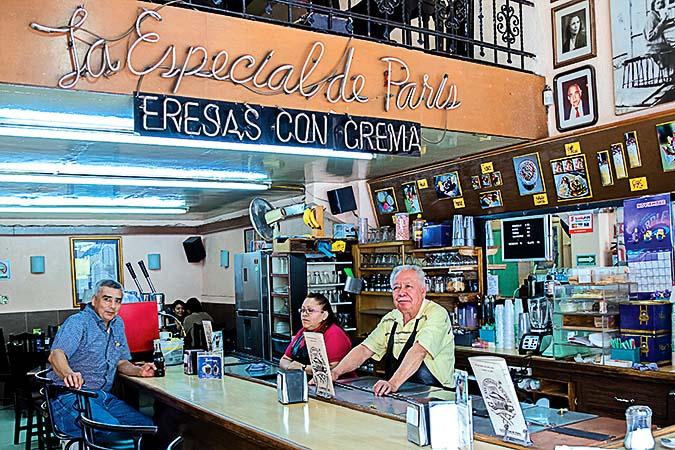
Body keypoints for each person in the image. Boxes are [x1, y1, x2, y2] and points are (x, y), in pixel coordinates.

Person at [47, 279, 155, 438]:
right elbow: (56, 354)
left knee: (147, 427)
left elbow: (121, 362)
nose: (112, 306)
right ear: (94, 300)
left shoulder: (117, 324)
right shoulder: (78, 322)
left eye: (117, 301)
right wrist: (68, 373)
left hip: (101, 396)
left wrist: (139, 371)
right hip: (69, 395)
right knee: (111, 430)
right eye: (107, 299)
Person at [331, 265, 455, 396]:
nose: (401, 292)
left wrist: (393, 383)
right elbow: (364, 349)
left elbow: (419, 351)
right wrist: (335, 372)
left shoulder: (436, 314)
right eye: (396, 287)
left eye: (408, 286)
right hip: (400, 394)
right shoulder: (391, 318)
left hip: (437, 396)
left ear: (423, 291)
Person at [279, 293, 352, 376]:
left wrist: (302, 368)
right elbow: (284, 359)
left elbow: (333, 368)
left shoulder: (335, 333)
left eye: (310, 310)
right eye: (302, 310)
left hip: (338, 385)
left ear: (324, 315)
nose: (304, 314)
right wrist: (289, 367)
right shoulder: (303, 331)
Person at [644, 0, 672, 67]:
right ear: (653, 6)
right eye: (658, 3)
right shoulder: (651, 17)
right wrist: (662, 22)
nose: (660, 5)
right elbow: (650, 36)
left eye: (662, 2)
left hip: (661, 47)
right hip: (655, 48)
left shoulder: (658, 16)